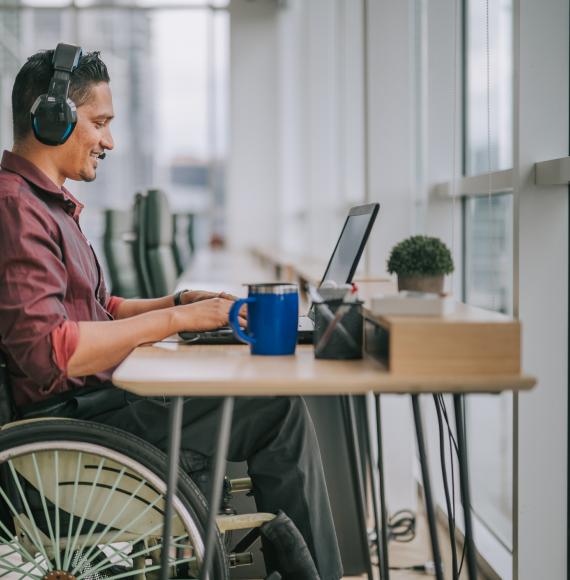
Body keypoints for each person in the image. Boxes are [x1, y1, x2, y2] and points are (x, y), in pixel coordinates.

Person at [0, 47, 343, 579]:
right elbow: (53, 353)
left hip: (95, 407)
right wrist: (176, 323)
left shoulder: (45, 203)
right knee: (275, 409)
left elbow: (99, 308)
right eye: (99, 123)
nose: (109, 141)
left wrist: (180, 304)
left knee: (271, 404)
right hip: (71, 436)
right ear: (53, 117)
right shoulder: (15, 207)